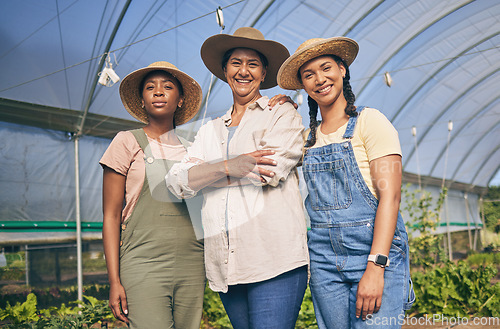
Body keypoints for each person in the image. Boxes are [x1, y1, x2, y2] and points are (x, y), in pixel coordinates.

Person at [166, 27, 309, 329]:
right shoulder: (210, 130)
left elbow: (267, 171)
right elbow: (177, 182)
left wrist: (205, 174)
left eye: (253, 64)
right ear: (224, 70)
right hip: (226, 266)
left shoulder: (281, 115)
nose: (243, 71)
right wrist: (229, 166)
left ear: (263, 72)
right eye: (236, 63)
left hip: (274, 260)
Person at [277, 37, 415, 328]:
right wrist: (277, 109)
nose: (319, 79)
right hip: (324, 260)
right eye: (308, 75)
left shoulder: (370, 122)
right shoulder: (306, 140)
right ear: (303, 86)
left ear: (342, 69)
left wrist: (376, 266)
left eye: (326, 68)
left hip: (373, 253)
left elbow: (390, 198)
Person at [100, 61, 206, 329]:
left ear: (180, 100)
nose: (159, 92)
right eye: (150, 87)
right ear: (143, 101)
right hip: (142, 261)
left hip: (191, 262)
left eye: (167, 86)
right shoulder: (127, 142)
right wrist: (114, 281)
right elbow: (111, 216)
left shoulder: (194, 151)